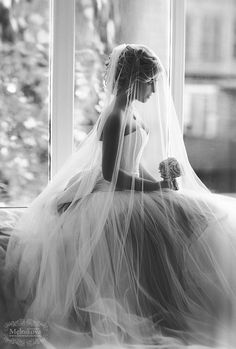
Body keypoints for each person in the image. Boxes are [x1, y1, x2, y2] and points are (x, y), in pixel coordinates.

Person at [1, 43, 236, 349]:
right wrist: (154, 189)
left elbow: (134, 163)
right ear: (136, 79)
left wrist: (159, 184)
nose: (153, 91)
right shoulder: (114, 116)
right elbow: (111, 174)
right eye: (150, 83)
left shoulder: (130, 112)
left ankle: (197, 305)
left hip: (130, 187)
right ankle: (177, 309)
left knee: (197, 212)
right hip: (112, 193)